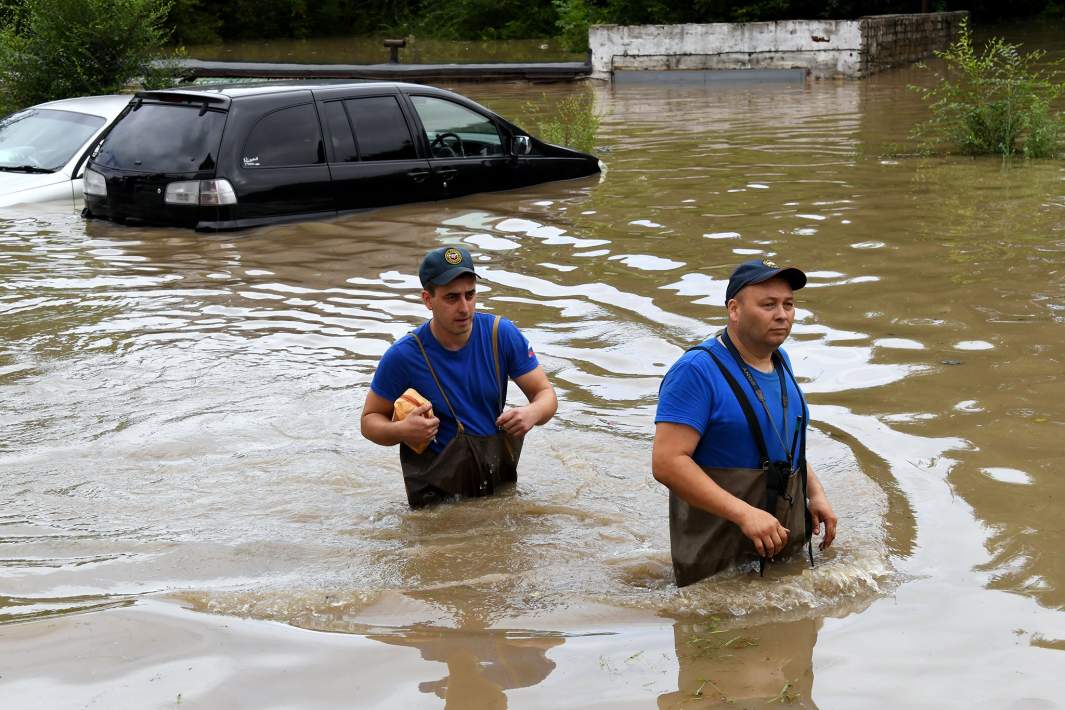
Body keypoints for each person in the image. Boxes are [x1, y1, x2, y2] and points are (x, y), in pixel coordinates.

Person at [651, 258, 837, 586]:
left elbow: (782, 443)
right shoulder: (695, 371)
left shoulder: (781, 362)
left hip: (781, 548)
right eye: (768, 305)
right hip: (717, 565)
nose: (782, 314)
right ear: (734, 309)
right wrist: (744, 514)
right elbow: (666, 463)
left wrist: (816, 492)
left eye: (788, 304)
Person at [361, 246, 557, 507]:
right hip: (436, 502)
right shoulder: (403, 356)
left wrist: (532, 413)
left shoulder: (502, 334)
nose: (465, 308)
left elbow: (546, 395)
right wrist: (401, 430)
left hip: (497, 488)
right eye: (451, 298)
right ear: (428, 300)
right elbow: (369, 421)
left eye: (470, 294)